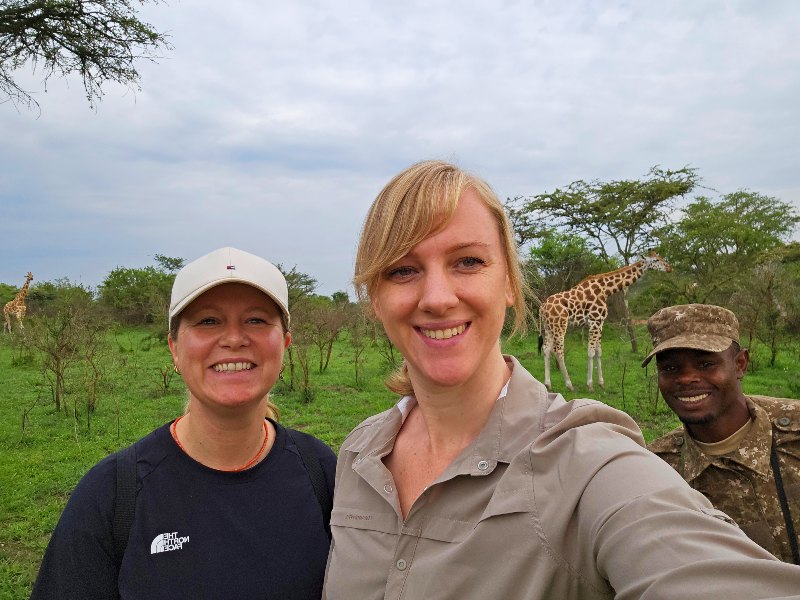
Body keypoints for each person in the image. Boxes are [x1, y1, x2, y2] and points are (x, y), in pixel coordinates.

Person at [322, 160, 800, 599]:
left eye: (468, 261)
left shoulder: (588, 463)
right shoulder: (358, 454)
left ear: (509, 282)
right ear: (374, 299)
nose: (438, 297)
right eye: (403, 270)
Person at [31, 247, 336, 600]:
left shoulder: (321, 471)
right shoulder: (113, 495)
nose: (234, 338)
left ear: (284, 343)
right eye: (208, 321)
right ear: (174, 348)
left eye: (256, 319)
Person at [644, 303, 800, 564]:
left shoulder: (794, 433)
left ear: (740, 364)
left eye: (705, 364)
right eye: (670, 368)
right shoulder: (657, 469)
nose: (687, 379)